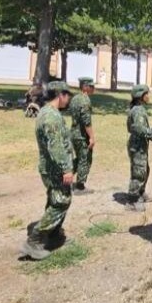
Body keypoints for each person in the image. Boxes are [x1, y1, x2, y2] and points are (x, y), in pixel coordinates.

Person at [22, 81, 74, 260]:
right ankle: (35, 239)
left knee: (55, 199)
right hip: (55, 168)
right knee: (61, 202)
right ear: (61, 95)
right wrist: (66, 169)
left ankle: (54, 235)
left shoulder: (47, 112)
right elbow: (56, 146)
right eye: (68, 95)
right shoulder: (51, 117)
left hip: (51, 167)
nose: (68, 99)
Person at [127, 85, 152, 211]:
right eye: (147, 94)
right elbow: (140, 129)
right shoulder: (138, 111)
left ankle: (141, 193)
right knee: (139, 172)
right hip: (137, 145)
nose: (149, 96)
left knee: (145, 169)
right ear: (141, 96)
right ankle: (132, 200)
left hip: (139, 144)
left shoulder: (138, 108)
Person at [69, 77, 96, 193]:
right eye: (91, 86)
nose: (93, 88)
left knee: (80, 158)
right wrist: (91, 137)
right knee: (85, 159)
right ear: (85, 87)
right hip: (81, 135)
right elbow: (86, 121)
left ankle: (64, 176)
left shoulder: (75, 98)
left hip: (74, 133)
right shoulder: (85, 101)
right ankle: (80, 187)